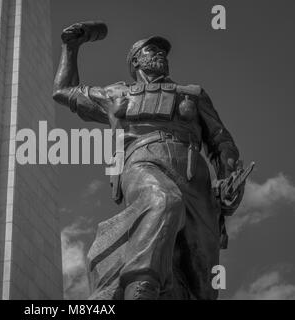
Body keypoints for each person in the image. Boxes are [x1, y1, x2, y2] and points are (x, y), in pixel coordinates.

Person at [53, 22, 244, 300]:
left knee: (202, 277)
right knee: (163, 200)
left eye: (162, 52)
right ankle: (141, 286)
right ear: (135, 61)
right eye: (151, 50)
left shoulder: (193, 94)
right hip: (143, 161)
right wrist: (71, 47)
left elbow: (220, 140)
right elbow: (63, 91)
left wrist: (230, 179)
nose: (160, 55)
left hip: (194, 175)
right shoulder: (115, 95)